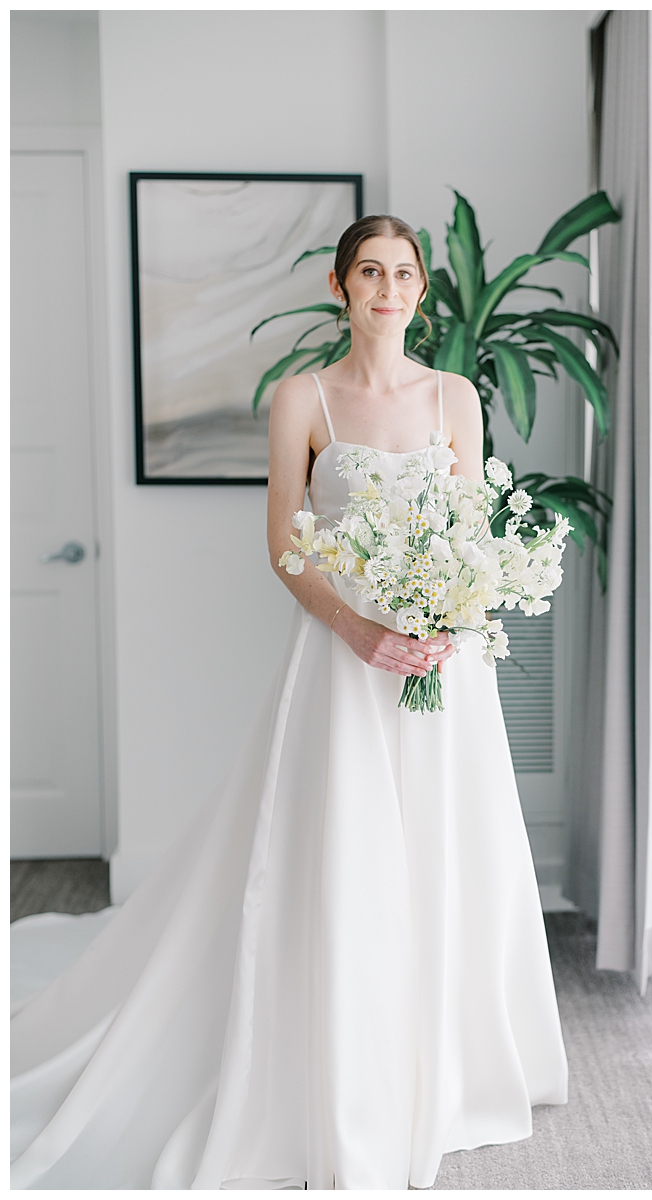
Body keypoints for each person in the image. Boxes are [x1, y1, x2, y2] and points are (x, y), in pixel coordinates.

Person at [10, 215, 568, 1189]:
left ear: (421, 292)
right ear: (338, 286)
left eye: (403, 274)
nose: (387, 289)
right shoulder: (302, 398)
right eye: (369, 273)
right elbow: (285, 542)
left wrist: (453, 618)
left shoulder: (455, 397)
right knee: (340, 855)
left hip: (442, 661)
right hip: (344, 660)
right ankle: (337, 1072)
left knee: (445, 848)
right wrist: (359, 632)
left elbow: (470, 530)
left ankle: (447, 1064)